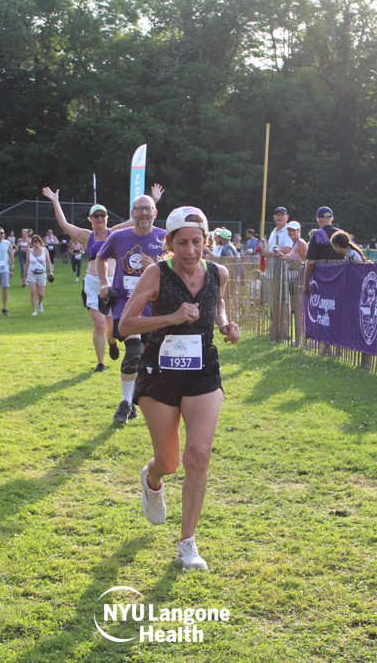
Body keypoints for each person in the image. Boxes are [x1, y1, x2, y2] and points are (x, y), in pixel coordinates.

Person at [119, 206, 240, 570]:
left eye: (197, 242)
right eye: (183, 242)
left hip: (203, 371)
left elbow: (217, 303)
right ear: (170, 242)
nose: (190, 250)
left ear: (206, 241)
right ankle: (153, 478)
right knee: (169, 461)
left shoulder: (219, 273)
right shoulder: (156, 273)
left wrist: (225, 324)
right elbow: (126, 325)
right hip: (160, 372)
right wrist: (171, 317)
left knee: (198, 455)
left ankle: (187, 543)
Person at [42, 186, 141, 372]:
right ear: (90, 219)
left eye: (102, 215)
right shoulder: (86, 236)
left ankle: (112, 341)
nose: (99, 218)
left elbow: (135, 220)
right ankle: (100, 363)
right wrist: (55, 201)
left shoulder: (114, 233)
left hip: (112, 283)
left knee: (112, 325)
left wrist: (152, 201)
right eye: (96, 216)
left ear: (106, 218)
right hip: (93, 283)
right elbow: (64, 225)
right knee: (99, 323)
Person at [96, 193, 168, 422]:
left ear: (155, 212)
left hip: (154, 309)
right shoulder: (118, 237)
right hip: (125, 306)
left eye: (148, 209)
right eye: (139, 209)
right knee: (134, 352)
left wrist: (156, 266)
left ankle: (134, 398)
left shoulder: (165, 237)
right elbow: (100, 258)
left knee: (145, 359)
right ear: (132, 213)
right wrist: (104, 283)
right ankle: (125, 403)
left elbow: (175, 271)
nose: (144, 213)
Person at [302, 207, 342, 296]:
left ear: (319, 219)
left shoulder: (317, 235)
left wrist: (305, 284)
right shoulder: (341, 234)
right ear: (332, 218)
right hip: (339, 278)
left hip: (322, 279)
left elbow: (310, 263)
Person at [25, 234, 52, 315]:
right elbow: (27, 264)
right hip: (32, 273)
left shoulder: (45, 250)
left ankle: (40, 302)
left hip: (42, 273)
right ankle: (34, 310)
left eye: (38, 241)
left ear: (40, 242)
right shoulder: (29, 251)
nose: (36, 242)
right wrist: (24, 276)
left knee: (41, 294)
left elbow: (48, 261)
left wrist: (51, 272)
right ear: (32, 243)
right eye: (35, 241)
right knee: (33, 292)